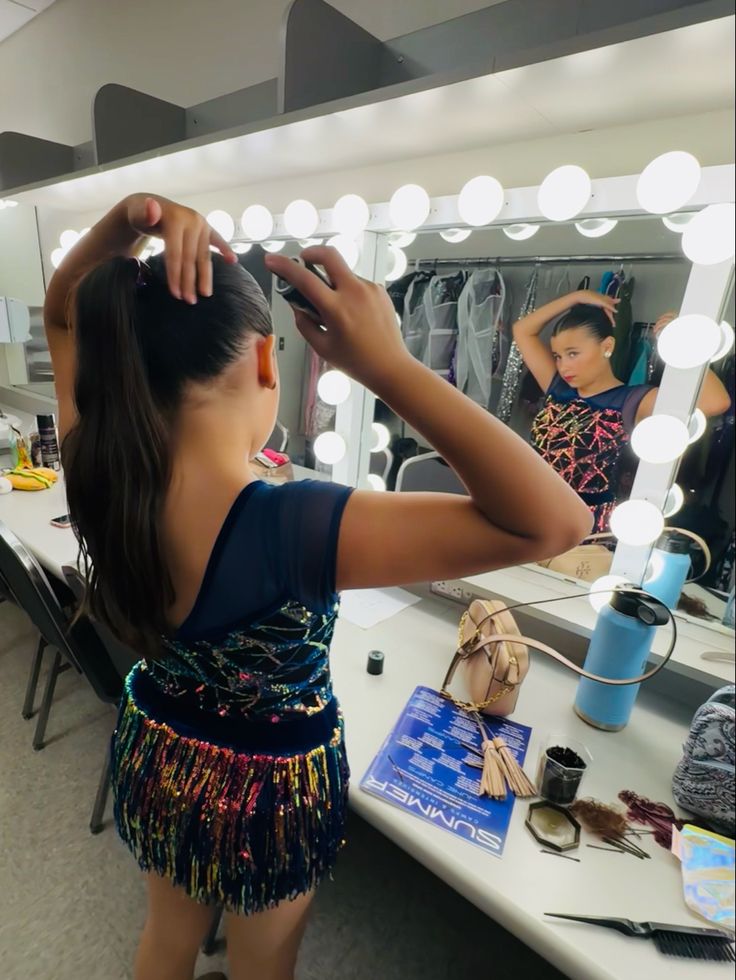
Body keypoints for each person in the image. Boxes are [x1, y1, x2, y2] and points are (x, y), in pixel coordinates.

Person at [44, 194, 591, 980]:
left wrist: (131, 220)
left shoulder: (92, 462)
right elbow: (555, 524)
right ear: (268, 360)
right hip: (269, 790)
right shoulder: (294, 525)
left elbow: (64, 312)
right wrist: (389, 366)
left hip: (158, 749)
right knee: (263, 963)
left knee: (165, 939)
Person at [513, 290, 731, 533]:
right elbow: (523, 330)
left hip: (584, 527)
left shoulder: (632, 401)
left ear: (607, 346)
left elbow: (716, 402)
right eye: (558, 356)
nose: (564, 365)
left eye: (573, 353)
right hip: (529, 510)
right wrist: (576, 297)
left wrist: (679, 342)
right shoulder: (557, 388)